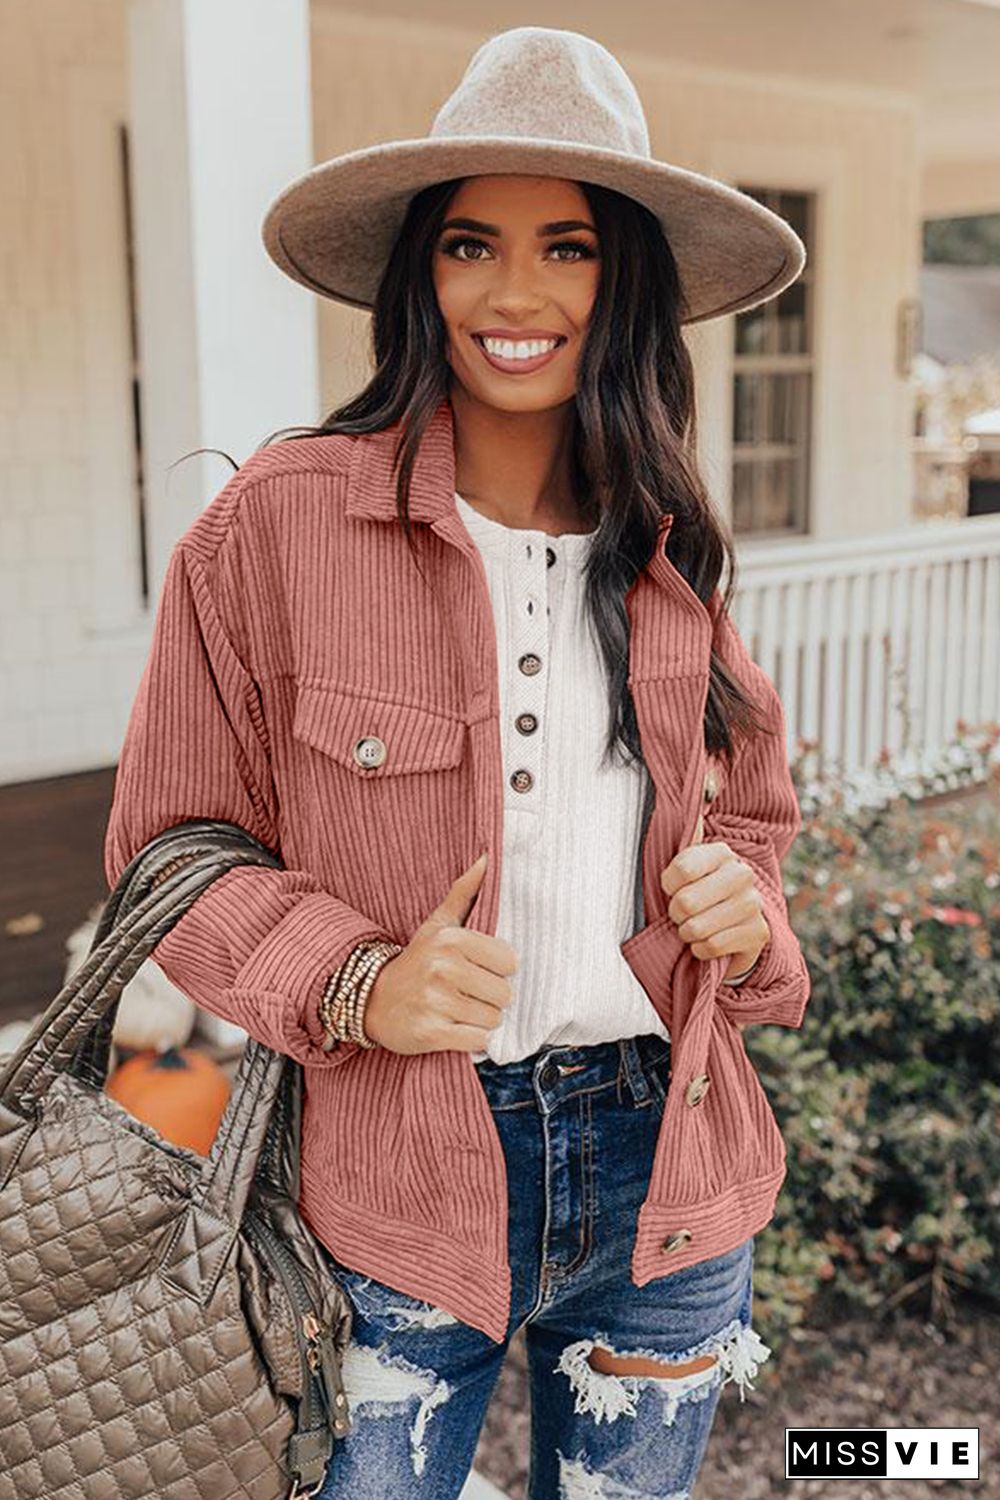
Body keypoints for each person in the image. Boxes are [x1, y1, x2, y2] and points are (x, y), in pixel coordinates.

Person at [104, 25, 812, 1500]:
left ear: (624, 286)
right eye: (472, 245)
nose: (516, 294)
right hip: (393, 1174)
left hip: (664, 1174)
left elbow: (751, 813)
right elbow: (167, 844)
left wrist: (744, 910)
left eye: (569, 249)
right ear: (420, 276)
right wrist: (357, 979)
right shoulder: (282, 526)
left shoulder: (670, 543)